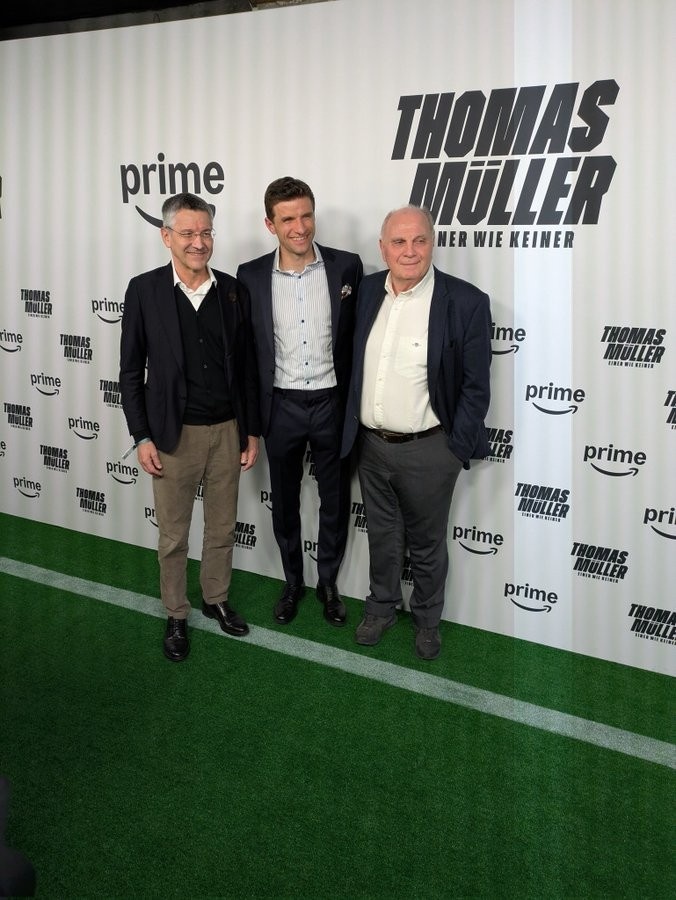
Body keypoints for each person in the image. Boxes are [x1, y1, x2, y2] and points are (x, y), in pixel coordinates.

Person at [341, 205, 491, 660]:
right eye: (399, 242)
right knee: (382, 536)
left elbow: (476, 387)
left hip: (430, 450)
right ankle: (381, 607)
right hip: (371, 446)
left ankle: (427, 620)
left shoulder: (465, 302)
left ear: (433, 243)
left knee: (427, 544)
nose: (410, 251)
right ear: (382, 248)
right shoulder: (367, 291)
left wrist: (452, 449)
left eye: (419, 240)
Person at [120, 192, 260, 662]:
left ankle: (215, 598)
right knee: (174, 535)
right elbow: (130, 371)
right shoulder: (144, 290)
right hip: (171, 435)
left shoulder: (233, 290)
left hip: (227, 431)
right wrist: (142, 436)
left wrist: (250, 431)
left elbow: (247, 369)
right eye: (187, 233)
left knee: (222, 527)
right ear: (166, 237)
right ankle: (176, 613)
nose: (198, 242)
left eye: (205, 232)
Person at [237, 177, 363, 627]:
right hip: (281, 407)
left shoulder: (347, 267)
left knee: (335, 500)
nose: (300, 227)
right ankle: (293, 582)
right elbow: (247, 355)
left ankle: (328, 584)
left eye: (306, 215)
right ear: (270, 224)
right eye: (288, 218)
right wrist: (251, 424)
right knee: (285, 501)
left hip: (333, 403)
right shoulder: (250, 276)